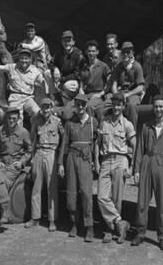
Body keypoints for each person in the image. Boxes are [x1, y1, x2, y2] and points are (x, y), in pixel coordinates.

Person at [131, 95, 163, 251]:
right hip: (146, 162)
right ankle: (140, 233)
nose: (158, 109)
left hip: (162, 165)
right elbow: (139, 149)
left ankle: (162, 236)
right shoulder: (146, 126)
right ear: (153, 108)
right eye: (156, 106)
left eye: (161, 106)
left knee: (162, 204)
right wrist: (137, 170)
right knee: (142, 202)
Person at [0, 107, 32, 233]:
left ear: (18, 119)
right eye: (9, 118)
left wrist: (21, 163)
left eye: (14, 118)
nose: (11, 121)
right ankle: (5, 211)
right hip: (2, 164)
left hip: (14, 166)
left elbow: (29, 151)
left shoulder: (24, 132)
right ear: (6, 118)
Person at [95, 92, 135, 244]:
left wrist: (131, 166)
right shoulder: (104, 121)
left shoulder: (127, 124)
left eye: (119, 104)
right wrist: (97, 162)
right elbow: (97, 143)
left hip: (120, 160)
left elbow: (135, 145)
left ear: (123, 106)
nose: (116, 107)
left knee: (117, 198)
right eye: (114, 104)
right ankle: (120, 222)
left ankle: (110, 230)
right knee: (101, 197)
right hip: (105, 160)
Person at [58, 93, 98, 242]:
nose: (80, 107)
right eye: (77, 104)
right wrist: (61, 163)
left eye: (82, 104)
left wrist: (95, 160)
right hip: (71, 158)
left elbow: (97, 144)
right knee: (71, 192)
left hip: (86, 159)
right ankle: (74, 223)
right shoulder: (69, 123)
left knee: (87, 193)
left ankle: (89, 227)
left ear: (86, 105)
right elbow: (64, 144)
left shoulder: (93, 122)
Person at [0, 48, 45, 123]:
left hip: (28, 97)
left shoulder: (35, 70)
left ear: (30, 59)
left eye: (26, 58)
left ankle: (34, 130)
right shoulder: (11, 67)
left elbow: (43, 82)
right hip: (15, 97)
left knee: (38, 114)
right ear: (19, 59)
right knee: (14, 119)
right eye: (22, 58)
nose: (24, 61)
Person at [25, 98, 64, 231]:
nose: (46, 110)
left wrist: (60, 161)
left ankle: (52, 220)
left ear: (52, 108)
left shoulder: (58, 122)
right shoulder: (37, 122)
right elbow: (33, 140)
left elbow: (64, 140)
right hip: (39, 154)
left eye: (48, 107)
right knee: (36, 187)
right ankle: (35, 217)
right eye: (43, 107)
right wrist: (32, 158)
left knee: (51, 188)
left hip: (51, 154)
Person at [109, 41, 145, 129]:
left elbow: (140, 87)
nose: (125, 54)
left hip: (133, 94)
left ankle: (132, 133)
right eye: (123, 52)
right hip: (120, 93)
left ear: (132, 53)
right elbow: (114, 84)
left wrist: (127, 95)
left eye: (128, 52)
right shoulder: (118, 67)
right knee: (106, 105)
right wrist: (116, 95)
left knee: (132, 106)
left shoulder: (137, 67)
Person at [18, 22, 54, 96]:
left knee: (37, 78)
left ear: (35, 31)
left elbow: (33, 47)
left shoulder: (39, 40)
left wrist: (22, 45)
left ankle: (48, 96)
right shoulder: (25, 41)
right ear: (26, 32)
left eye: (31, 30)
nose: (30, 32)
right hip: (28, 65)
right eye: (28, 31)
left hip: (40, 65)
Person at [53, 30, 85, 104]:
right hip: (60, 79)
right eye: (65, 41)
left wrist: (61, 80)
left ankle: (70, 103)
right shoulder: (59, 53)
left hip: (72, 81)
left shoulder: (78, 55)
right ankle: (55, 98)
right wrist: (55, 68)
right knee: (47, 73)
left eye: (69, 41)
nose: (67, 43)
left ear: (73, 42)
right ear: (62, 42)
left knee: (69, 86)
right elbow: (52, 63)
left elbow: (77, 74)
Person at [81, 39, 111, 111]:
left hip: (97, 96)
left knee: (88, 106)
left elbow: (110, 83)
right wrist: (81, 92)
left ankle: (90, 122)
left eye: (93, 51)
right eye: (89, 51)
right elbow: (81, 83)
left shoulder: (103, 66)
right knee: (71, 107)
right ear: (86, 52)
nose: (91, 53)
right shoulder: (84, 67)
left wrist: (101, 94)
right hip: (86, 95)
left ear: (97, 52)